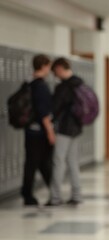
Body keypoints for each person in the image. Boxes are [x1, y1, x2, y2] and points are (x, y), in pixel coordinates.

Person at [47, 58, 85, 206]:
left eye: (55, 71)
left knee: (58, 161)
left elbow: (55, 108)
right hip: (76, 128)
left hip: (64, 128)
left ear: (60, 68)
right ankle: (77, 194)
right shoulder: (79, 83)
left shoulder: (63, 87)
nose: (54, 75)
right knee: (72, 161)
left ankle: (55, 197)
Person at [21, 54, 55, 207]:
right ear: (44, 66)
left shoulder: (29, 84)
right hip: (39, 132)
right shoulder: (41, 86)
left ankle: (31, 193)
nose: (50, 69)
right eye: (49, 66)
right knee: (41, 163)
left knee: (35, 163)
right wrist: (50, 132)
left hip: (30, 130)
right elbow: (44, 114)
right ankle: (31, 194)